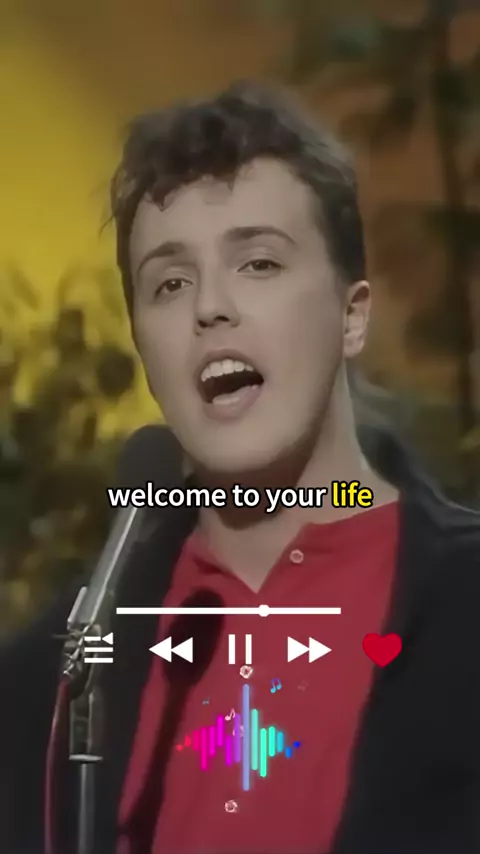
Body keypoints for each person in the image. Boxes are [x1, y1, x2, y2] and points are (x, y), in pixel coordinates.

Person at [1, 79, 479, 854]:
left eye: (257, 263)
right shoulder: (53, 677)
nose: (209, 308)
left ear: (352, 315)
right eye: (170, 283)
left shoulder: (463, 604)